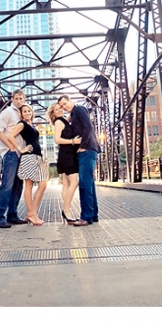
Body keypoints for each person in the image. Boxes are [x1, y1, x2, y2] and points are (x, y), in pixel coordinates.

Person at [57, 95, 100, 226]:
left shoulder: (79, 109)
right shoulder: (74, 114)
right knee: (89, 184)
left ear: (70, 100)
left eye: (65, 103)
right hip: (88, 150)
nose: (65, 107)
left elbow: (88, 127)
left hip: (86, 150)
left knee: (84, 184)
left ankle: (86, 217)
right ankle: (93, 215)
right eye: (62, 106)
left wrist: (82, 146)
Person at [6, 104, 48, 225]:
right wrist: (20, 149)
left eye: (29, 110)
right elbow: (10, 136)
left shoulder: (31, 125)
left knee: (43, 184)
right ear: (21, 114)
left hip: (37, 156)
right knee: (29, 185)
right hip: (29, 157)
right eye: (24, 111)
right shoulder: (22, 124)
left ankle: (32, 213)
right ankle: (32, 213)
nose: (27, 113)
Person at [0, 89, 29, 228]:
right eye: (16, 98)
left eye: (21, 98)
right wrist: (11, 147)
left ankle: (12, 215)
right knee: (7, 186)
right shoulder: (8, 112)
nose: (19, 101)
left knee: (17, 186)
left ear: (24, 99)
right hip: (10, 153)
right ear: (12, 99)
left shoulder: (21, 114)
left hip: (20, 154)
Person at [46, 101, 82, 225]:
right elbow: (57, 140)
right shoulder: (59, 122)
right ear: (53, 114)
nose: (60, 110)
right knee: (74, 182)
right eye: (56, 110)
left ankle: (67, 210)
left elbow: (73, 112)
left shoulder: (64, 120)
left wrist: (73, 107)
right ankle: (66, 210)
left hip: (66, 154)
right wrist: (73, 141)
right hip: (67, 155)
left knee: (66, 184)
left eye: (60, 108)